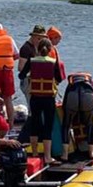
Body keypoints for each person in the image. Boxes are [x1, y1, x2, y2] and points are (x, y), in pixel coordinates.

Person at [20, 37, 62, 165]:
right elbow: (59, 78)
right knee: (47, 126)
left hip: (35, 97)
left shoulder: (32, 61)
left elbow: (21, 75)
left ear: (38, 49)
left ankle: (34, 153)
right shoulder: (53, 62)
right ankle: (48, 157)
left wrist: (31, 75)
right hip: (48, 98)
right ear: (50, 50)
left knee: (35, 124)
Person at [61, 71, 93, 161]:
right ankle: (91, 152)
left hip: (72, 95)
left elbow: (64, 103)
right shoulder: (89, 85)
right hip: (87, 96)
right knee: (90, 124)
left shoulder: (71, 85)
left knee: (66, 125)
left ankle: (65, 154)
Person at [18, 24, 47, 97]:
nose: (40, 41)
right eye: (38, 38)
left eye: (42, 39)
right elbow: (21, 68)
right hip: (27, 81)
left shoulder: (37, 47)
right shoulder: (26, 48)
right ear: (32, 36)